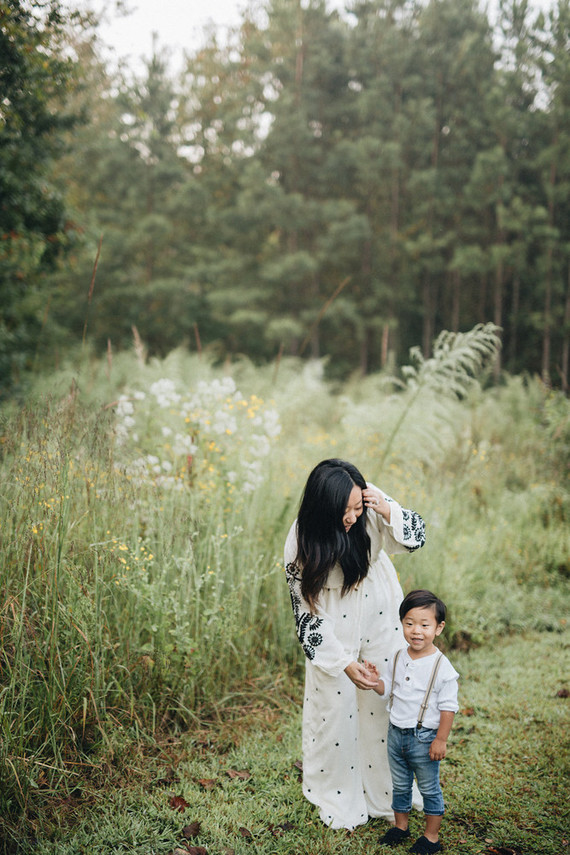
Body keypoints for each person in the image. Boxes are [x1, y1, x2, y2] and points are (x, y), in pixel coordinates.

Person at [284, 458, 426, 830]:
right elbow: (306, 616)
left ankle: (386, 791)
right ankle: (339, 793)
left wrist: (387, 508)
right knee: (334, 706)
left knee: (382, 700)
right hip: (332, 620)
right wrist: (344, 662)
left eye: (356, 508)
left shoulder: (371, 507)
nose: (351, 517)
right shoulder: (300, 541)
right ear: (322, 509)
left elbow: (416, 537)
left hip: (379, 608)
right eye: (343, 511)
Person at [365, 589, 459, 854]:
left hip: (424, 738)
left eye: (424, 625)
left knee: (429, 788)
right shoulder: (398, 656)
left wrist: (440, 740)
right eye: (409, 623)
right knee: (400, 785)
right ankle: (401, 826)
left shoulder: (442, 667)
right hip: (396, 734)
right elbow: (388, 689)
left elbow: (448, 708)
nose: (416, 631)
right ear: (402, 624)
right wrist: (375, 682)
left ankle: (431, 837)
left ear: (438, 628)